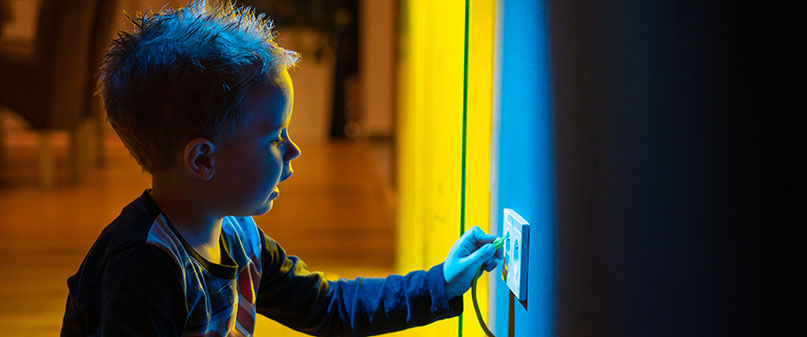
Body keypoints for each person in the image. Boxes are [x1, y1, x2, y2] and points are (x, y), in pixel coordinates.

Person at [60, 1, 501, 336]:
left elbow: (327, 306)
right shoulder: (141, 268)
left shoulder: (237, 234)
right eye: (274, 138)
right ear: (203, 160)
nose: (293, 151)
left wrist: (441, 283)